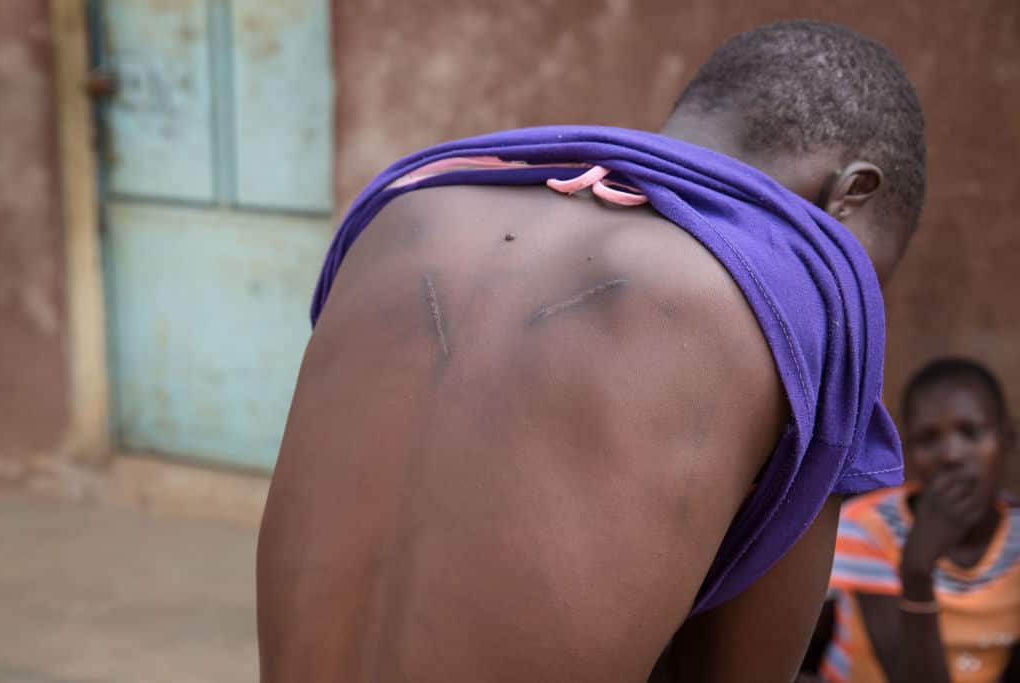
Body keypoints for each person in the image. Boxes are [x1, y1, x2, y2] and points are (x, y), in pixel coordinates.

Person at [257, 20, 927, 683]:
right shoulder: (799, 292)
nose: (857, 291)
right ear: (851, 194)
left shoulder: (403, 215)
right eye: (875, 270)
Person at [810, 358, 1020, 683]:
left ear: (1007, 438)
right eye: (927, 439)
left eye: (971, 432)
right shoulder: (869, 528)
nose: (951, 455)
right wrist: (918, 568)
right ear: (906, 451)